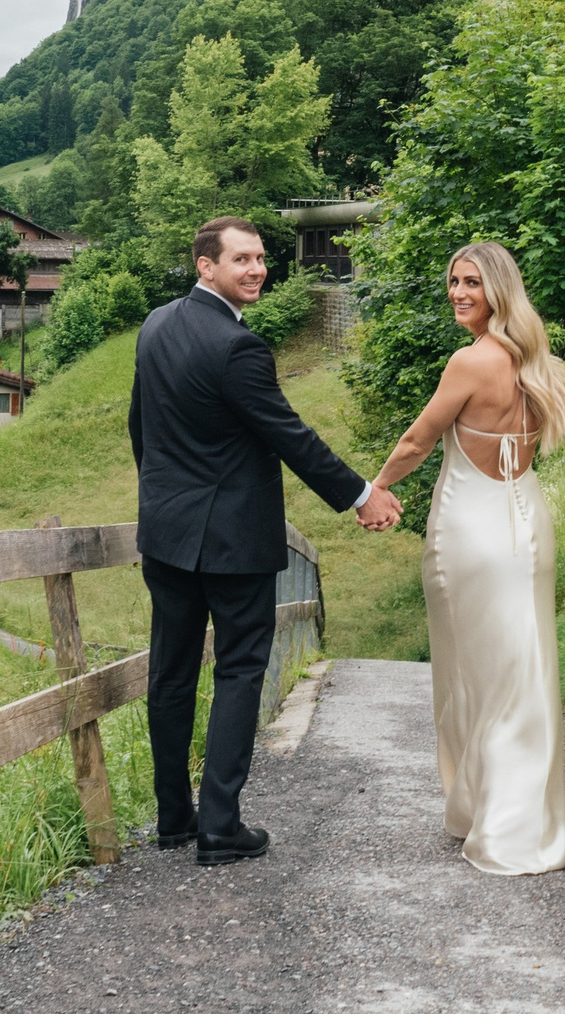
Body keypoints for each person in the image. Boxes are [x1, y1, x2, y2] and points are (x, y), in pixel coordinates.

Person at [130, 216, 402, 866]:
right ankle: (219, 826)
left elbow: (140, 425)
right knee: (239, 668)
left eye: (260, 258)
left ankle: (174, 817)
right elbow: (289, 434)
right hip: (230, 538)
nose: (256, 269)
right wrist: (361, 493)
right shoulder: (237, 346)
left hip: (166, 532)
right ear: (205, 265)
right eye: (242, 259)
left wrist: (162, 498)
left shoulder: (156, 326)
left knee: (169, 671)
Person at [364, 240, 565, 874]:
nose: (458, 292)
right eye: (453, 280)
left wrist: (376, 488)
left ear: (498, 291)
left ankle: (495, 823)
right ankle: (509, 817)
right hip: (527, 523)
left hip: (473, 532)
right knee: (523, 670)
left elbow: (418, 438)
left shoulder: (471, 361)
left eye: (472, 283)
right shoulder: (540, 364)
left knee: (474, 675)